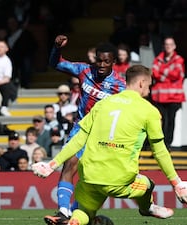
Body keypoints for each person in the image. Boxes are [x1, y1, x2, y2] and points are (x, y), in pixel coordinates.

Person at [32, 65, 187, 225]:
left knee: (84, 211)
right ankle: (146, 208)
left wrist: (52, 165)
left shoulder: (102, 104)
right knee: (148, 185)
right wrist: (176, 183)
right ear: (141, 83)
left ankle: (73, 222)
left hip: (89, 175)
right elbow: (159, 151)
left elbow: (78, 139)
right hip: (119, 180)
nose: (150, 89)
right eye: (149, 85)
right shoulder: (150, 111)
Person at [46, 34, 126, 224]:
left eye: (106, 61)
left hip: (104, 136)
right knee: (69, 164)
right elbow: (56, 63)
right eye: (99, 60)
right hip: (82, 129)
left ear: (114, 62)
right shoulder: (84, 70)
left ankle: (75, 214)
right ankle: (63, 212)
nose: (101, 64)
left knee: (94, 179)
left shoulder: (121, 86)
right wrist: (57, 48)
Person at [151, 36, 186, 149]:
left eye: (170, 44)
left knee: (170, 121)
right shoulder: (157, 59)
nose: (168, 47)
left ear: (174, 46)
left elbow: (176, 74)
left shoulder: (179, 59)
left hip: (174, 97)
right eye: (166, 44)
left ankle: (167, 144)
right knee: (160, 121)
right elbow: (154, 73)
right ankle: (159, 144)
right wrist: (167, 72)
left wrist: (162, 72)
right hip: (159, 97)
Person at [0, 40, 17, 116]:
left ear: (6, 49)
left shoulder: (7, 61)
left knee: (8, 86)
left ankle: (4, 107)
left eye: (1, 47)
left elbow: (7, 78)